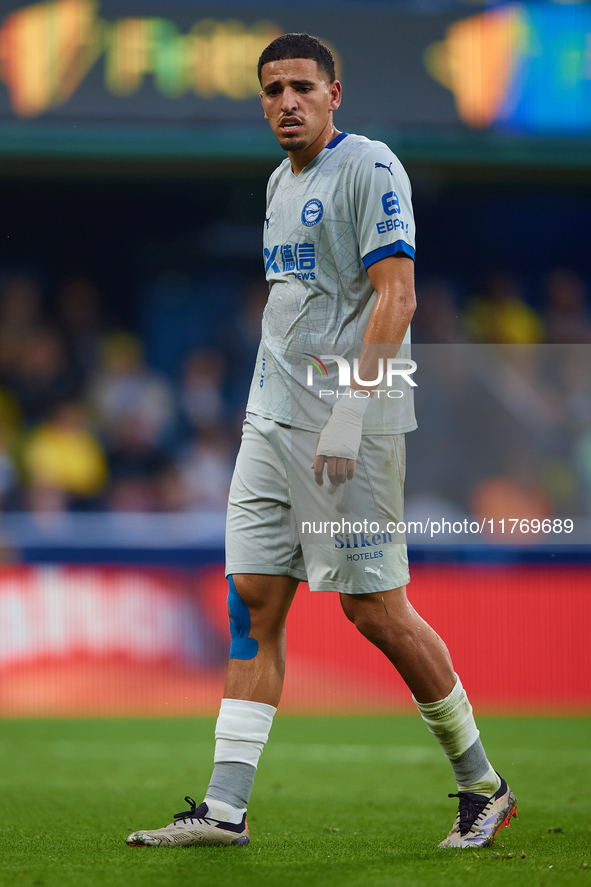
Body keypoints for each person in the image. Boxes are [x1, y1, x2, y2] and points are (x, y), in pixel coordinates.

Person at [127, 33, 516, 851]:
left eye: (301, 86)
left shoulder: (370, 167)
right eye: (271, 90)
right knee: (252, 601)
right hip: (269, 423)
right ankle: (224, 810)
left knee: (373, 610)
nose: (286, 102)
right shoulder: (278, 181)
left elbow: (398, 298)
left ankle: (482, 784)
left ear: (334, 92)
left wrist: (345, 413)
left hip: (351, 425)